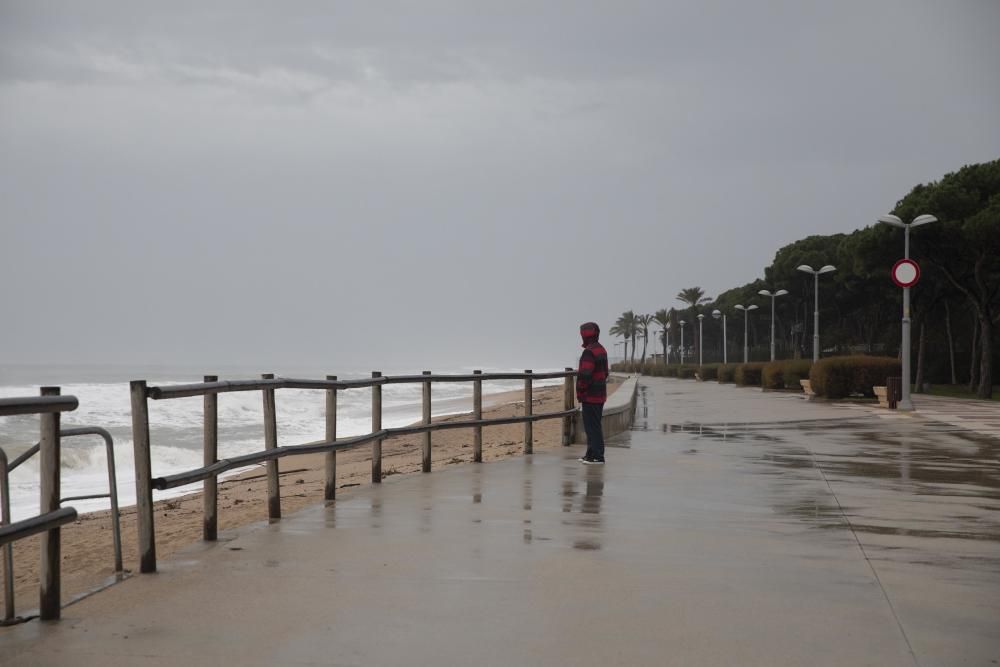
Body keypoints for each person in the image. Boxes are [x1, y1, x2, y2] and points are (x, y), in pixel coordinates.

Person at [576, 321, 609, 464]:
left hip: (590, 396)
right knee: (593, 426)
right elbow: (605, 372)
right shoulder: (601, 349)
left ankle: (597, 456)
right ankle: (590, 454)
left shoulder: (589, 352)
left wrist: (581, 391)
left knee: (592, 427)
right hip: (600, 394)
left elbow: (585, 375)